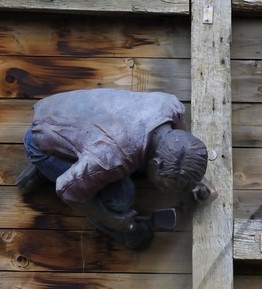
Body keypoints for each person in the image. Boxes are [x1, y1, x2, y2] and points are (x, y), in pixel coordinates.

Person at [18, 88, 216, 249]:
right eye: (164, 186)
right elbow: (67, 191)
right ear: (155, 163)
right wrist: (114, 220)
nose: (163, 190)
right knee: (121, 197)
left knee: (118, 167)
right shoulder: (112, 159)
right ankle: (46, 162)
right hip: (42, 138)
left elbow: (181, 144)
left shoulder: (172, 106)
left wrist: (195, 178)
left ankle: (68, 160)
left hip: (69, 112)